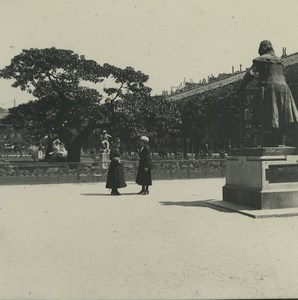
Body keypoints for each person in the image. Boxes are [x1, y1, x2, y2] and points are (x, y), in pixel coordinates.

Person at [238, 40, 298, 146]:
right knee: (282, 115)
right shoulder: (279, 60)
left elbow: (250, 74)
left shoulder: (261, 60)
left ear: (263, 48)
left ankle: (269, 143)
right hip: (285, 89)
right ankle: (281, 143)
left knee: (269, 115)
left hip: (270, 88)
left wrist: (241, 87)